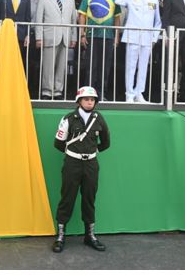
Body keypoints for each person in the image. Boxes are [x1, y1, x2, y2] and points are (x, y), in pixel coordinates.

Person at [52, 86, 110, 253]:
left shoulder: (99, 119)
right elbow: (58, 143)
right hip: (72, 164)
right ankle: (61, 236)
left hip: (91, 165)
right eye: (86, 99)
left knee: (89, 199)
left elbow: (106, 142)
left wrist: (92, 153)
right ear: (79, 101)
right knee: (67, 198)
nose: (89, 102)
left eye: (92, 100)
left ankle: (89, 236)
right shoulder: (69, 118)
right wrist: (74, 155)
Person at [115, 0, 162, 103]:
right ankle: (129, 93)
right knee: (130, 66)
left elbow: (157, 21)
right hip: (133, 36)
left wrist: (154, 38)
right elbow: (119, 0)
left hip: (147, 38)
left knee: (143, 67)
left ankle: (139, 93)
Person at [78, 0, 121, 101]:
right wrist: (82, 34)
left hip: (108, 36)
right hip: (92, 35)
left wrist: (117, 36)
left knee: (105, 66)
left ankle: (101, 93)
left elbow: (117, 18)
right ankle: (89, 94)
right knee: (91, 66)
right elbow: (82, 16)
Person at [35, 0, 78, 100]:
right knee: (48, 66)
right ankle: (47, 91)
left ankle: (58, 91)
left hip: (65, 37)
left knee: (61, 66)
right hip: (49, 36)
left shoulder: (70, 0)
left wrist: (74, 37)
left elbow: (72, 21)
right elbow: (39, 19)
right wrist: (39, 37)